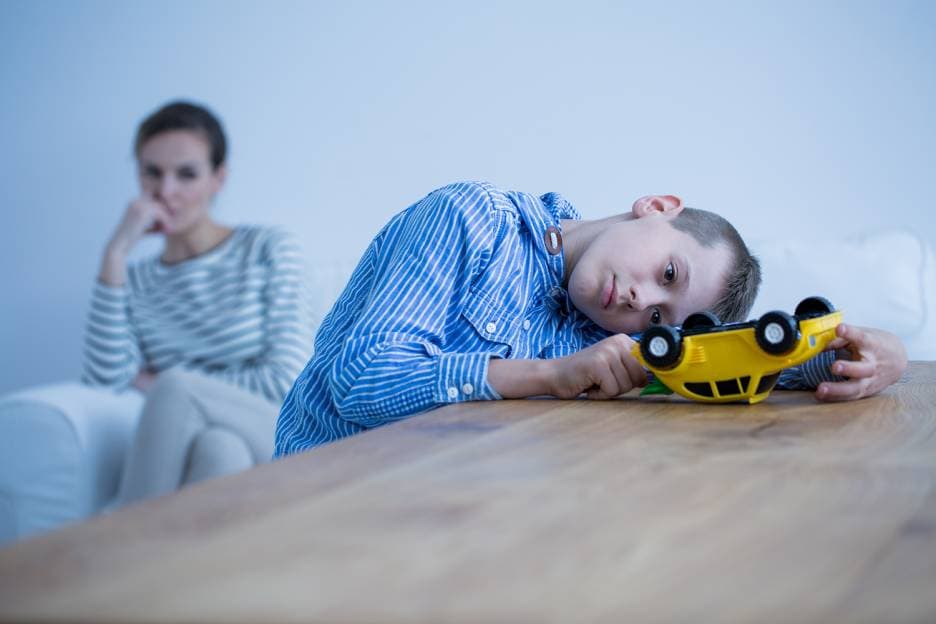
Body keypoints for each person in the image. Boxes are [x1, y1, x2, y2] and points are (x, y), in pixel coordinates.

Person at [273, 181, 907, 456]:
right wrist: (546, 375)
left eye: (661, 315)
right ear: (656, 206)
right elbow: (357, 379)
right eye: (668, 274)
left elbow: (746, 362)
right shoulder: (470, 221)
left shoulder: (606, 341)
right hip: (322, 499)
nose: (639, 305)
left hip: (448, 520)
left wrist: (877, 352)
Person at [83, 101, 313, 504]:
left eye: (186, 174)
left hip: (283, 428)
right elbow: (106, 385)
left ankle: (116, 544)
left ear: (217, 179)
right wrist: (115, 253)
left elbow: (286, 379)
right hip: (219, 441)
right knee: (220, 450)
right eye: (152, 173)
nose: (165, 191)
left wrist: (163, 384)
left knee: (176, 388)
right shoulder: (134, 281)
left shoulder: (267, 247)